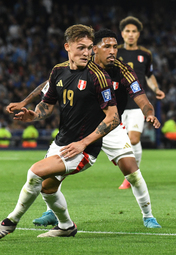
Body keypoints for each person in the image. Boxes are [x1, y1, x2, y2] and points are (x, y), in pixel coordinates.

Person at [6, 29, 162, 229]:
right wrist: (26, 102)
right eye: (107, 46)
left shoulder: (121, 70)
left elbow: (141, 97)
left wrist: (148, 112)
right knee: (51, 175)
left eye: (115, 46)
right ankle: (52, 213)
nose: (113, 51)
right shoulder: (77, 66)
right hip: (79, 127)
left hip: (110, 125)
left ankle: (148, 215)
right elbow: (50, 85)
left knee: (131, 171)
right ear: (95, 49)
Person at [0, 24, 120, 239]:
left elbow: (113, 118)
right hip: (61, 142)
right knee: (47, 188)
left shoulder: (99, 77)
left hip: (84, 149)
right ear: (67, 46)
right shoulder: (58, 71)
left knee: (35, 172)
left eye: (90, 48)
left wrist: (83, 144)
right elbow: (47, 105)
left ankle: (9, 222)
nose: (86, 53)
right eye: (80, 47)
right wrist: (33, 116)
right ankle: (66, 226)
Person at [117, 16, 165, 189]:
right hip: (118, 105)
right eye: (127, 31)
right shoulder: (115, 52)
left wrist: (156, 89)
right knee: (122, 143)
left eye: (134, 31)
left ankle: (131, 176)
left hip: (138, 103)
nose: (131, 35)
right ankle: (129, 174)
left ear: (138, 34)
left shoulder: (145, 54)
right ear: (122, 34)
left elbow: (149, 76)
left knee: (134, 139)